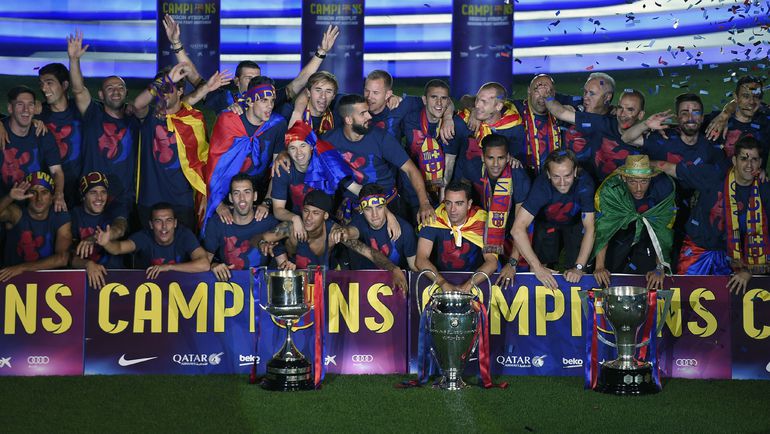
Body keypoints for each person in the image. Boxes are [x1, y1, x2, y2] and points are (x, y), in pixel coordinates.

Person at [653, 136, 770, 293]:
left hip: (734, 259)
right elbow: (670, 168)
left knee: (726, 303)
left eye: (754, 159)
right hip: (696, 251)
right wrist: (638, 165)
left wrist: (749, 270)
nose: (749, 165)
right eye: (744, 159)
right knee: (684, 298)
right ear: (734, 160)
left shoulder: (764, 191)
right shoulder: (714, 175)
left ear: (760, 162)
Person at [253, 190, 407, 290]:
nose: (308, 218)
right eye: (306, 211)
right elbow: (258, 238)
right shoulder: (291, 228)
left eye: (315, 213)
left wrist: (393, 268)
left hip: (321, 288)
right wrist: (264, 245)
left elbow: (369, 252)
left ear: (325, 216)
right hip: (290, 286)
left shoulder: (334, 232)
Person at [323, 94, 435, 224]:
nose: (369, 116)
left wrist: (424, 203)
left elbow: (411, 170)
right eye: (363, 113)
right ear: (348, 120)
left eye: (368, 111)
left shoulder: (380, 137)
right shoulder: (328, 141)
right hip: (354, 206)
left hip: (388, 202)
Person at [67, 31, 142, 207]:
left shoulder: (135, 119)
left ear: (126, 93)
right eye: (110, 88)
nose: (116, 92)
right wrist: (74, 60)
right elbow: (78, 90)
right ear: (101, 94)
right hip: (91, 195)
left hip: (123, 198)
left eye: (120, 88)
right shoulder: (93, 113)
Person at [203, 76, 288, 231]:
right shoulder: (228, 120)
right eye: (264, 100)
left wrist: (267, 202)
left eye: (272, 100)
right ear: (249, 101)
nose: (270, 106)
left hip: (261, 194)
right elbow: (214, 166)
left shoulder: (277, 124)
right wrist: (218, 204)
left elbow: (277, 170)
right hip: (226, 194)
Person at [132, 63, 209, 230]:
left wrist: (204, 193)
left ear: (180, 91)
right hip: (149, 200)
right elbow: (137, 104)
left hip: (181, 201)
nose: (163, 93)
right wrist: (164, 81)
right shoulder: (149, 117)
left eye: (168, 88)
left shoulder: (193, 120)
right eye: (160, 89)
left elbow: (202, 159)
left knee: (185, 245)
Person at [202, 24, 340, 114]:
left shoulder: (270, 97)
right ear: (237, 81)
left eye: (257, 78)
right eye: (248, 78)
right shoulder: (223, 98)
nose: (254, 82)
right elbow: (196, 83)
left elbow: (299, 82)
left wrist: (321, 52)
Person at [454, 133, 531, 286]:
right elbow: (461, 198)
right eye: (490, 158)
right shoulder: (472, 167)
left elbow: (521, 225)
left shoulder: (518, 176)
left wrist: (513, 263)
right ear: (483, 157)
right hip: (481, 226)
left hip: (512, 227)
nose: (496, 164)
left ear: (508, 157)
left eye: (501, 158)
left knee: (517, 275)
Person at [512, 149, 595, 289]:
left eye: (567, 176)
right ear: (548, 174)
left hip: (575, 223)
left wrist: (579, 267)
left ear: (575, 171)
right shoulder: (541, 186)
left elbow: (590, 228)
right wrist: (537, 267)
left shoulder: (585, 184)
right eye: (556, 176)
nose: (562, 182)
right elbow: (517, 229)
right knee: (539, 268)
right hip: (547, 222)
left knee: (578, 270)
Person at [593, 155, 676, 290]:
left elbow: (663, 229)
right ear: (624, 178)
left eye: (644, 181)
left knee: (649, 275)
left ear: (651, 178)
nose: (638, 188)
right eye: (632, 182)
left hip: (650, 231)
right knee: (611, 270)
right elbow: (604, 228)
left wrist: (659, 267)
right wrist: (599, 267)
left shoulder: (663, 188)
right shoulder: (611, 190)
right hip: (619, 230)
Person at [271, 120, 355, 240]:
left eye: (303, 146)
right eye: (293, 148)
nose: (299, 153)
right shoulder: (283, 168)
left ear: (311, 146)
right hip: (296, 220)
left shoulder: (326, 163)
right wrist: (295, 218)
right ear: (287, 151)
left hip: (326, 220)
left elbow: (353, 187)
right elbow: (278, 210)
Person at [545, 88, 647, 182]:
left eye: (630, 110)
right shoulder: (602, 123)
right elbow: (561, 113)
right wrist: (547, 95)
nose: (623, 114)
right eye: (620, 108)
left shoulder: (650, 137)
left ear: (640, 114)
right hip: (599, 188)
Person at [415, 180, 498, 293]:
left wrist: (467, 286)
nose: (452, 210)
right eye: (448, 203)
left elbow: (492, 262)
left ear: (469, 204)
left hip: (476, 282)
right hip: (439, 279)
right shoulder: (435, 218)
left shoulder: (483, 221)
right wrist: (443, 283)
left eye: (459, 203)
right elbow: (420, 259)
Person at [96, 202, 209, 279]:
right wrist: (106, 243)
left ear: (175, 223)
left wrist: (169, 267)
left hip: (179, 289)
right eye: (158, 221)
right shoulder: (144, 236)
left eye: (168, 220)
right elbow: (119, 248)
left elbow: (204, 264)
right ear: (151, 224)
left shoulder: (184, 235)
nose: (164, 226)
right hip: (147, 289)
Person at [400, 79, 467, 205]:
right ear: (424, 100)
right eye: (434, 97)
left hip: (447, 188)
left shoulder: (455, 125)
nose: (439, 103)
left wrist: (443, 198)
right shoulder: (409, 119)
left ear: (448, 101)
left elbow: (450, 163)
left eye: (443, 98)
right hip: (413, 186)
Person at [202, 174, 279, 281]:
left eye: (247, 192)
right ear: (231, 198)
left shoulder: (268, 222)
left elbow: (281, 260)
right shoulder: (217, 222)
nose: (242, 198)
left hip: (261, 286)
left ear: (255, 196)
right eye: (236, 193)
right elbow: (204, 262)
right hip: (228, 285)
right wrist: (214, 266)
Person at [0, 172, 71, 281]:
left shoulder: (60, 217)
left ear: (52, 197)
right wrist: (9, 197)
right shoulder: (16, 214)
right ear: (26, 196)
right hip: (11, 281)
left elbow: (62, 258)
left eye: (44, 192)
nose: (39, 198)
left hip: (46, 282)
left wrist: (22, 268)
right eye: (33, 192)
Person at [331, 184, 417, 272]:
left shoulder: (405, 229)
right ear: (361, 210)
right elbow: (352, 231)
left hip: (396, 278)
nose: (374, 215)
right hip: (365, 279)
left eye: (379, 208)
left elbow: (414, 266)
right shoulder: (359, 221)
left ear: (386, 207)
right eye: (368, 209)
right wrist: (343, 232)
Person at [1, 86, 64, 205]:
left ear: (34, 109)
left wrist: (58, 194)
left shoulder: (42, 133)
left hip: (35, 203)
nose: (26, 110)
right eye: (20, 104)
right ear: (10, 108)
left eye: (30, 105)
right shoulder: (1, 131)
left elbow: (56, 171)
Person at [70, 172, 129, 288]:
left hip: (115, 278)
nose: (99, 198)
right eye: (93, 192)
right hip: (83, 280)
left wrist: (94, 238)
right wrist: (88, 264)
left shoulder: (115, 209)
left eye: (103, 192)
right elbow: (69, 257)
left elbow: (120, 229)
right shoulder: (73, 215)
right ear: (83, 196)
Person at [37, 58, 82, 207]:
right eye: (41, 84)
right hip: (48, 192)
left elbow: (109, 110)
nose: (44, 89)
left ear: (64, 85)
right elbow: (14, 120)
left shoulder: (81, 109)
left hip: (81, 191)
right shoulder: (38, 113)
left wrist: (127, 107)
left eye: (49, 83)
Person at [457, 82, 525, 166]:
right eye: (477, 100)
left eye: (484, 102)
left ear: (498, 106)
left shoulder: (514, 126)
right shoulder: (465, 120)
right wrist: (473, 110)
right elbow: (465, 98)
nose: (477, 105)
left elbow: (516, 157)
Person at [704, 75, 770, 161]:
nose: (751, 101)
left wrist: (727, 111)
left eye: (756, 96)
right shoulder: (716, 120)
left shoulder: (766, 122)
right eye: (746, 96)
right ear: (735, 97)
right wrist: (725, 113)